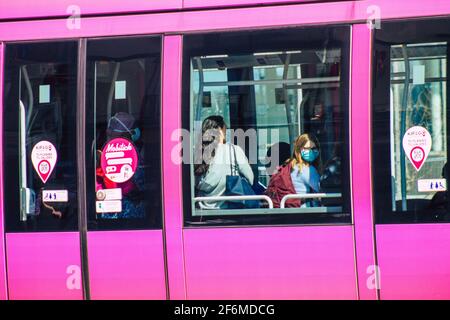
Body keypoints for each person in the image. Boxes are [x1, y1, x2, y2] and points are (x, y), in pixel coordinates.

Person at [194, 115, 254, 209]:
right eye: (226, 129)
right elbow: (250, 179)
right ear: (220, 130)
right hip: (228, 211)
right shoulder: (234, 150)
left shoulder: (198, 154)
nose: (227, 133)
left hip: (202, 211)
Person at [96, 112, 145, 219]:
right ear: (125, 133)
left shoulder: (103, 151)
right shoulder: (129, 152)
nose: (136, 131)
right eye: (133, 128)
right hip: (125, 210)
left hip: (110, 208)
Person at [266, 133, 322, 208]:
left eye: (314, 148)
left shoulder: (290, 165)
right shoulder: (307, 169)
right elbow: (321, 191)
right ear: (299, 150)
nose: (311, 151)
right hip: (306, 211)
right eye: (307, 148)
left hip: (292, 209)